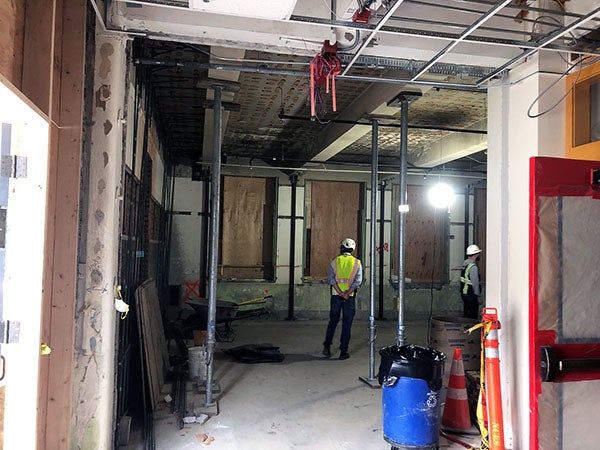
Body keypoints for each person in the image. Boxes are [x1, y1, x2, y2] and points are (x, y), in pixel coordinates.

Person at [322, 238, 363, 360]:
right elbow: (358, 282)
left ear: (341, 248)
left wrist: (340, 292)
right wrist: (347, 293)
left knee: (333, 322)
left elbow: (331, 279)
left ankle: (327, 347)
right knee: (347, 324)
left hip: (336, 296)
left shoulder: (334, 262)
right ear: (352, 249)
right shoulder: (357, 263)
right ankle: (343, 352)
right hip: (349, 297)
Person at [460, 244, 482, 319]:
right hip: (471, 295)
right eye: (478, 253)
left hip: (464, 293)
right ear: (475, 255)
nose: (479, 255)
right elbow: (475, 283)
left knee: (467, 315)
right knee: (472, 317)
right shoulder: (473, 267)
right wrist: (478, 296)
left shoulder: (465, 264)